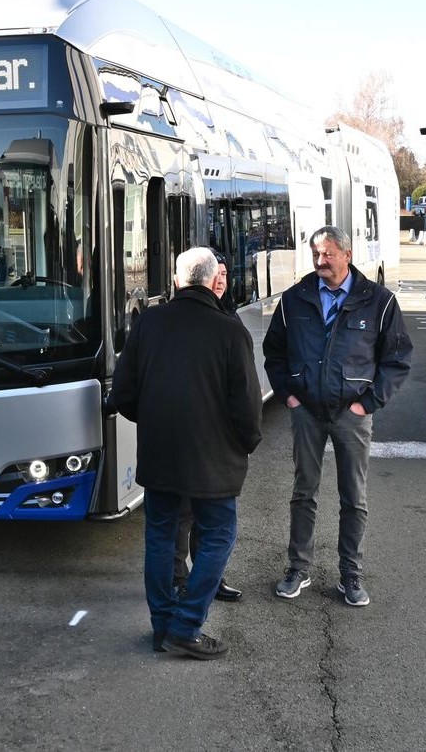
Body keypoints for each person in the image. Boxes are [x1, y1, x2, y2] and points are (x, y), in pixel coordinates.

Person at [109, 247, 262, 660]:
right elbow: (247, 408)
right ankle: (187, 625)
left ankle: (163, 627)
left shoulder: (149, 323)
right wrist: (245, 444)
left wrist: (157, 422)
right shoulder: (230, 331)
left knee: (160, 537)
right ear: (215, 281)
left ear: (176, 281)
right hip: (214, 461)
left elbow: (123, 394)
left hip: (160, 456)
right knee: (219, 537)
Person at [264, 225, 412, 607]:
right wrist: (288, 397)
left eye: (328, 254)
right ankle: (298, 569)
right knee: (303, 492)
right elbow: (274, 352)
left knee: (354, 497)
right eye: (316, 254)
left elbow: (397, 360)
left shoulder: (378, 301)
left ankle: (351, 575)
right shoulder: (295, 299)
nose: (320, 261)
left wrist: (368, 403)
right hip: (307, 411)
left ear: (347, 254)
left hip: (352, 413)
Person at [172, 253, 242, 603]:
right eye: (216, 275)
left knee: (205, 520)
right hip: (191, 439)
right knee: (183, 516)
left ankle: (208, 578)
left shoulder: (229, 319)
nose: (220, 280)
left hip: (217, 444)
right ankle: (180, 579)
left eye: (225, 275)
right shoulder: (181, 319)